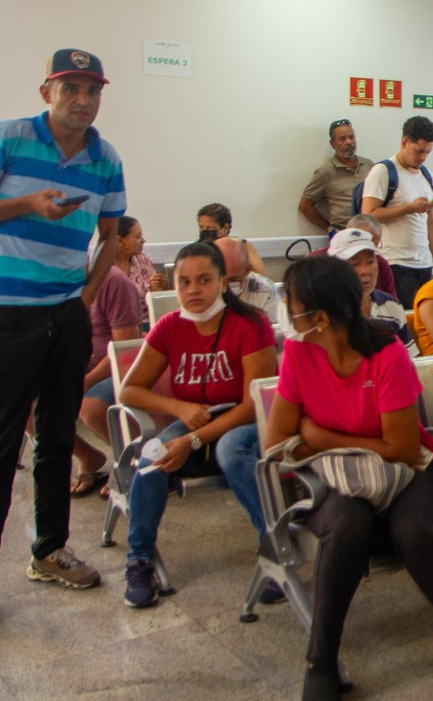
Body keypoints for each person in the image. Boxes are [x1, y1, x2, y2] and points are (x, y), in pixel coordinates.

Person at [265, 255, 433, 701]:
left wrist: (317, 434)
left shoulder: (385, 352)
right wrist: (333, 442)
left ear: (318, 316)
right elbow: (275, 441)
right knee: (347, 525)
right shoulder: (299, 353)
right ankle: (321, 661)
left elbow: (403, 450)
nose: (284, 310)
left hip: (411, 473)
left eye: (289, 302)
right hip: (341, 480)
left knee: (416, 533)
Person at [0, 49, 124, 637]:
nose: (83, 99)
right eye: (70, 87)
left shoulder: (106, 159)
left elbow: (113, 235)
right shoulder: (5, 138)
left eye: (92, 89)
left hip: (65, 316)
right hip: (7, 315)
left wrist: (86, 294)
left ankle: (48, 551)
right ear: (46, 90)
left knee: (56, 438)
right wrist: (25, 204)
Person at [120, 243, 277, 608]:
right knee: (149, 460)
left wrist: (191, 440)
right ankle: (139, 558)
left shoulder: (250, 324)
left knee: (230, 449)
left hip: (242, 421)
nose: (193, 290)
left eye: (204, 280)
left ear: (223, 282)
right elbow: (129, 389)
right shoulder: (169, 327)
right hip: (194, 418)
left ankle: (275, 548)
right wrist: (177, 407)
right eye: (184, 282)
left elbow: (253, 403)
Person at [69, 263, 143, 497]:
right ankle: (88, 457)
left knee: (90, 407)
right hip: (70, 366)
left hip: (113, 369)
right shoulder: (52, 277)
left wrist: (86, 381)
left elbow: (125, 350)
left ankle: (132, 461)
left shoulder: (114, 282)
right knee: (22, 403)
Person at [362, 116, 433, 308]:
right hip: (395, 263)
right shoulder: (383, 171)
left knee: (426, 321)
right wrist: (409, 208)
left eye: (428, 152)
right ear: (404, 142)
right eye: (419, 151)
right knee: (405, 320)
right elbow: (368, 216)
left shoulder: (426, 175)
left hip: (424, 264)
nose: (423, 157)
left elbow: (431, 221)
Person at [326, 227, 418, 356]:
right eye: (355, 264)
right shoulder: (325, 312)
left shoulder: (390, 304)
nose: (365, 271)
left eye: (370, 262)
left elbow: (409, 357)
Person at [298, 118, 374, 234]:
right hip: (344, 234)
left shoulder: (370, 166)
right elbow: (305, 206)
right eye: (342, 139)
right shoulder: (325, 172)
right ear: (332, 144)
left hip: (371, 233)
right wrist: (329, 229)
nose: (349, 142)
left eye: (351, 137)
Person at [213, 236, 281, 325]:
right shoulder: (198, 288)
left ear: (247, 270)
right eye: (220, 277)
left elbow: (276, 335)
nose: (224, 284)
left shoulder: (267, 292)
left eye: (232, 279)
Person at [115, 215, 168, 327]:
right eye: (138, 236)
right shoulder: (102, 267)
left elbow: (155, 298)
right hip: (116, 325)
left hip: (147, 322)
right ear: (120, 240)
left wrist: (157, 289)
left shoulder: (142, 259)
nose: (143, 240)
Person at [197, 202, 268, 276]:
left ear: (225, 228)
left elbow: (262, 277)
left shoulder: (241, 246)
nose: (204, 231)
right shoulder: (196, 248)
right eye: (201, 227)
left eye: (210, 227)